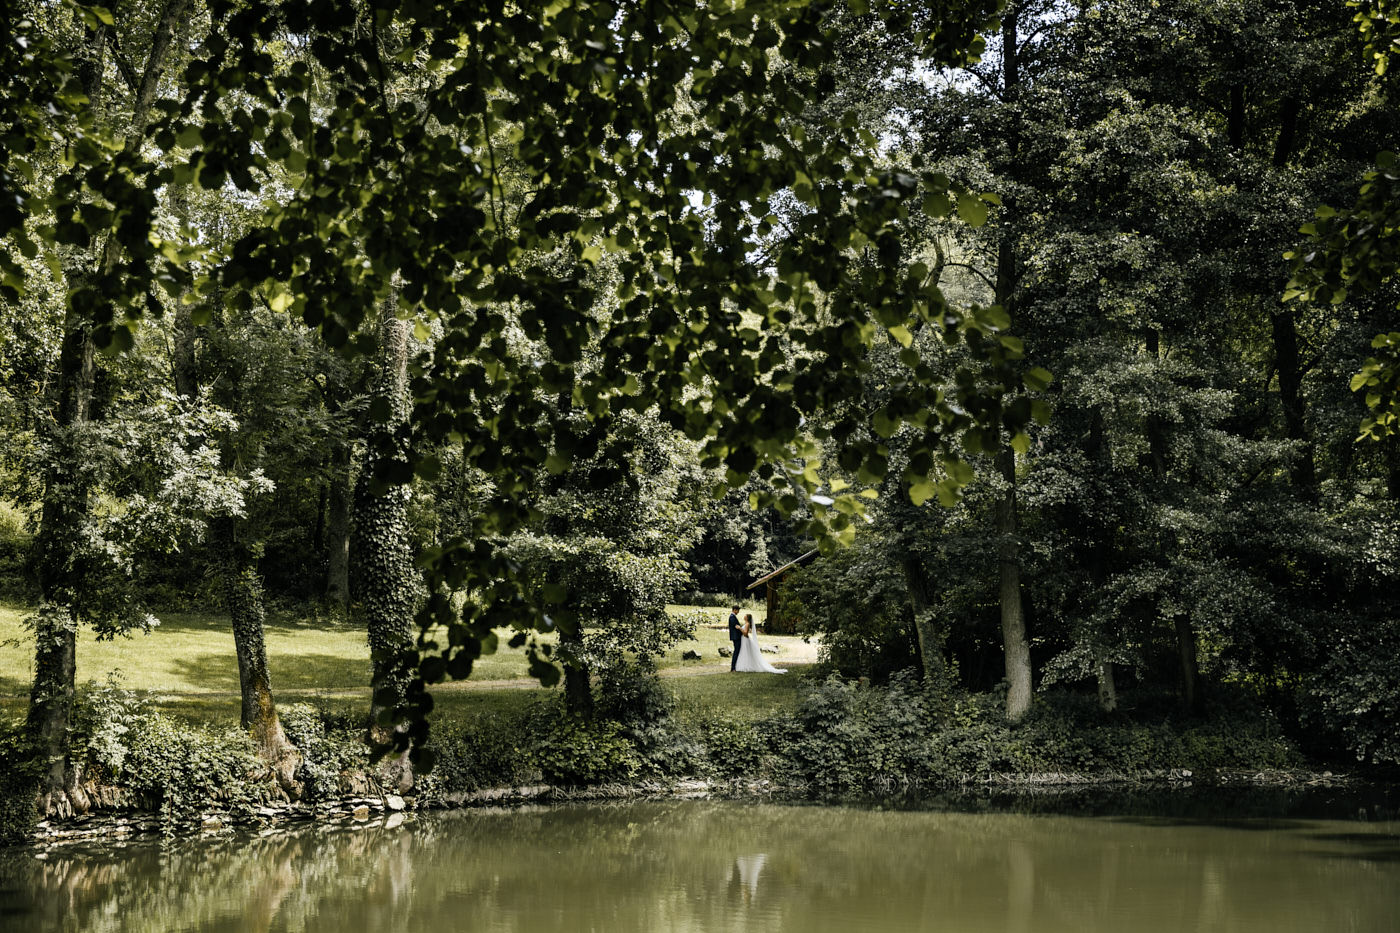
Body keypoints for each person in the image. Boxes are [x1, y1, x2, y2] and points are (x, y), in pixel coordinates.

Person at [728, 605, 743, 672]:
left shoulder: (733, 617)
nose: (738, 612)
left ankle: (735, 666)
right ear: (734, 610)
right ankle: (733, 667)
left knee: (737, 651)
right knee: (736, 652)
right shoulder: (732, 617)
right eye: (738, 610)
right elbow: (736, 627)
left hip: (736, 637)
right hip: (736, 637)